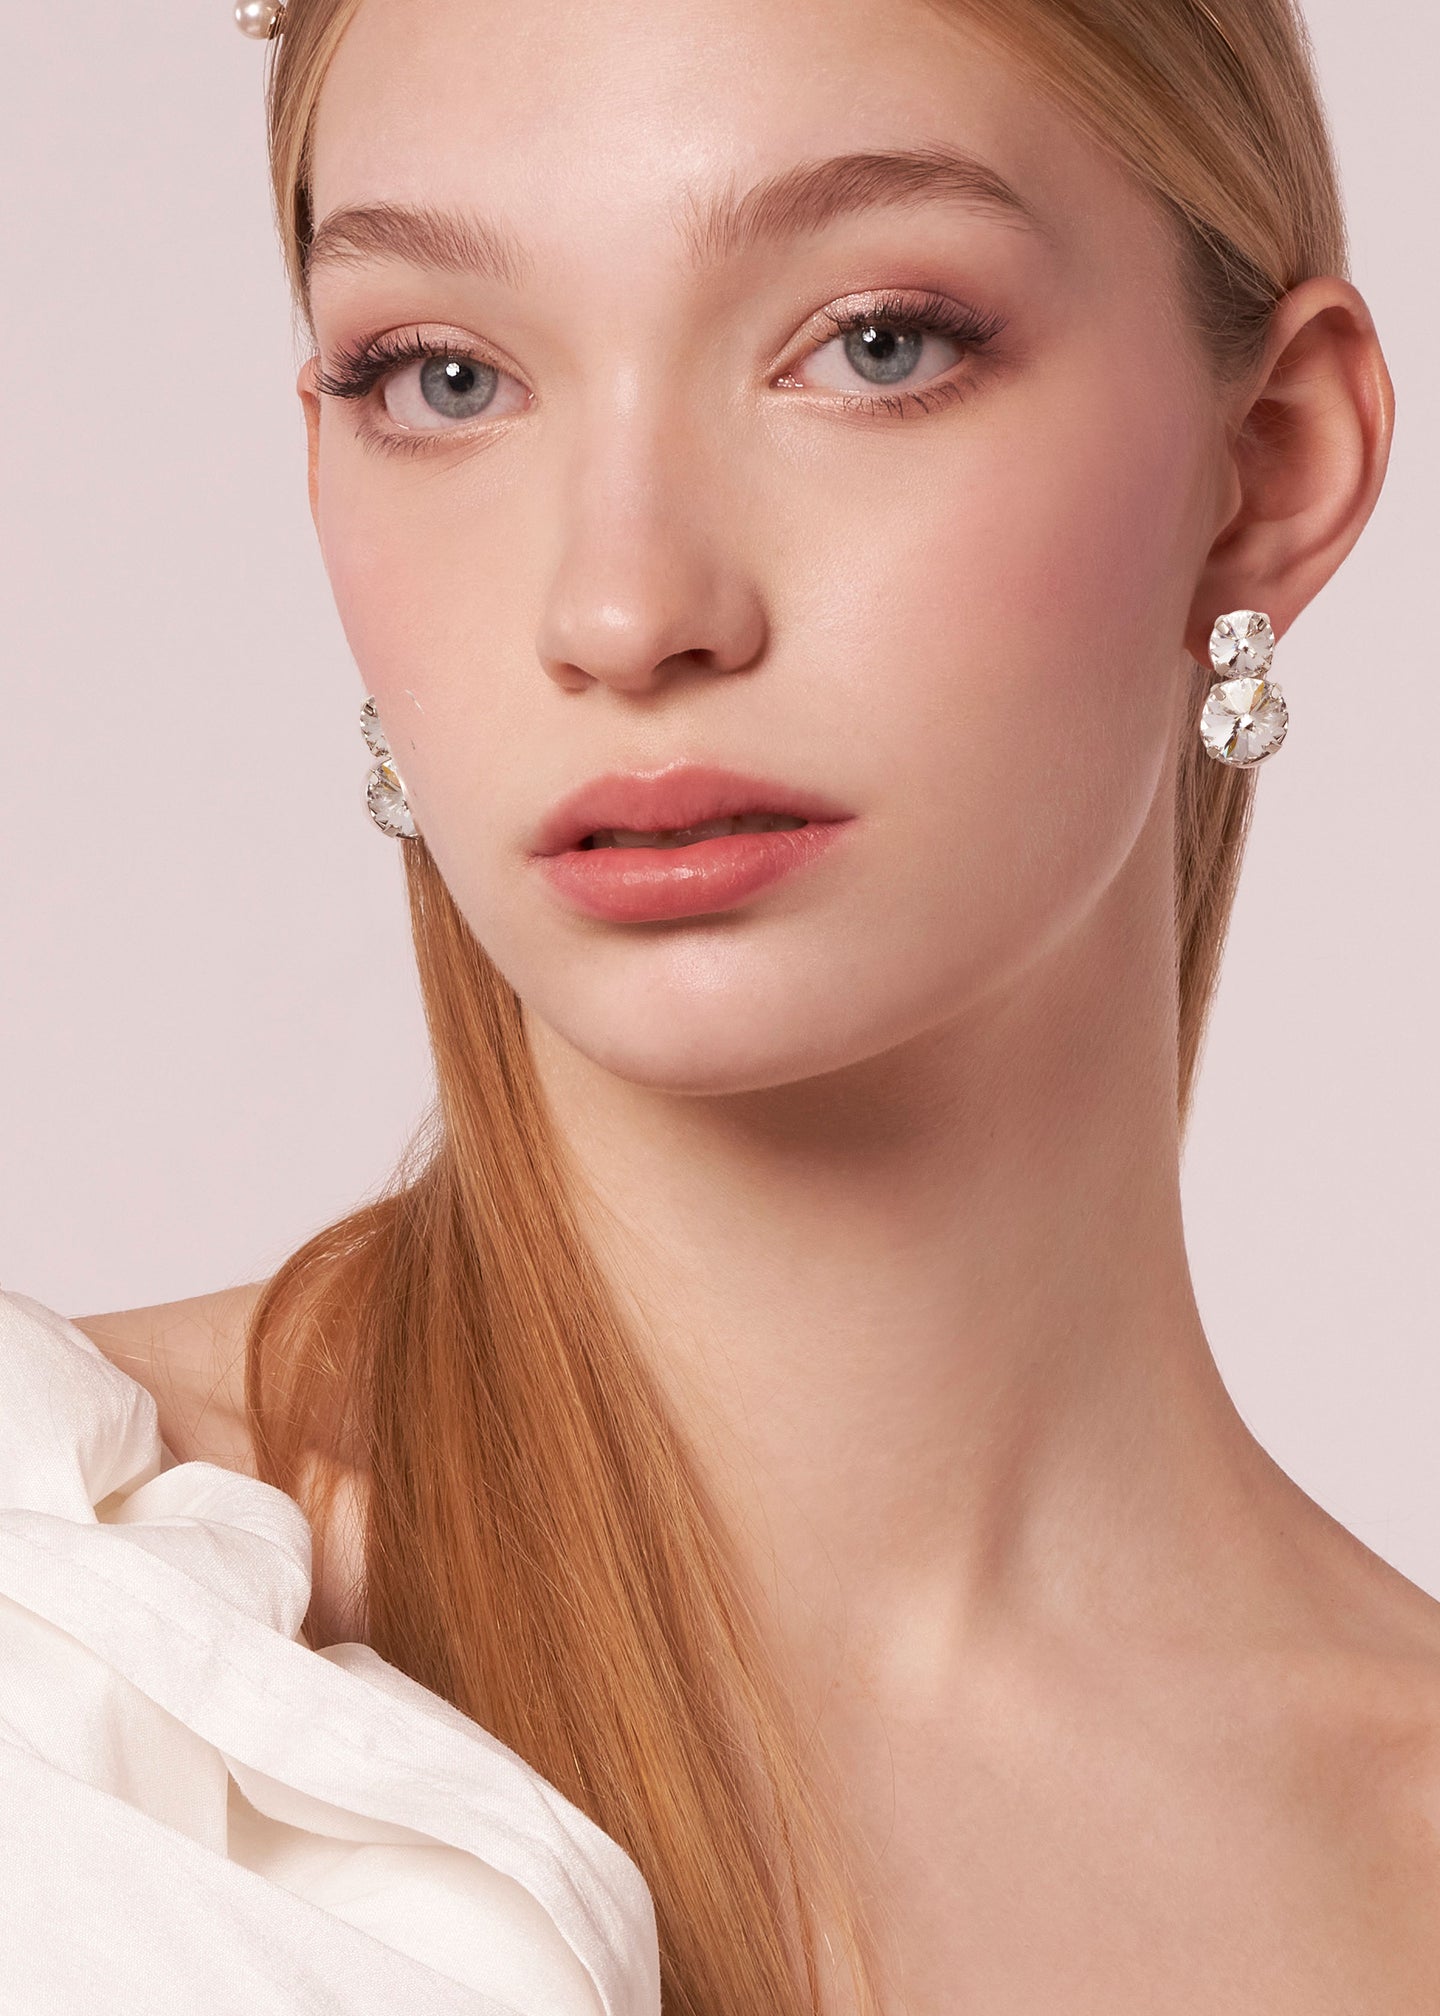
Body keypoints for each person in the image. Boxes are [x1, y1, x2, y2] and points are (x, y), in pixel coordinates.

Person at [2, 0, 1433, 2009]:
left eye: (877, 342)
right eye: (447, 374)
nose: (623, 606)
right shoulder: (65, 1650)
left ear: (1269, 467)